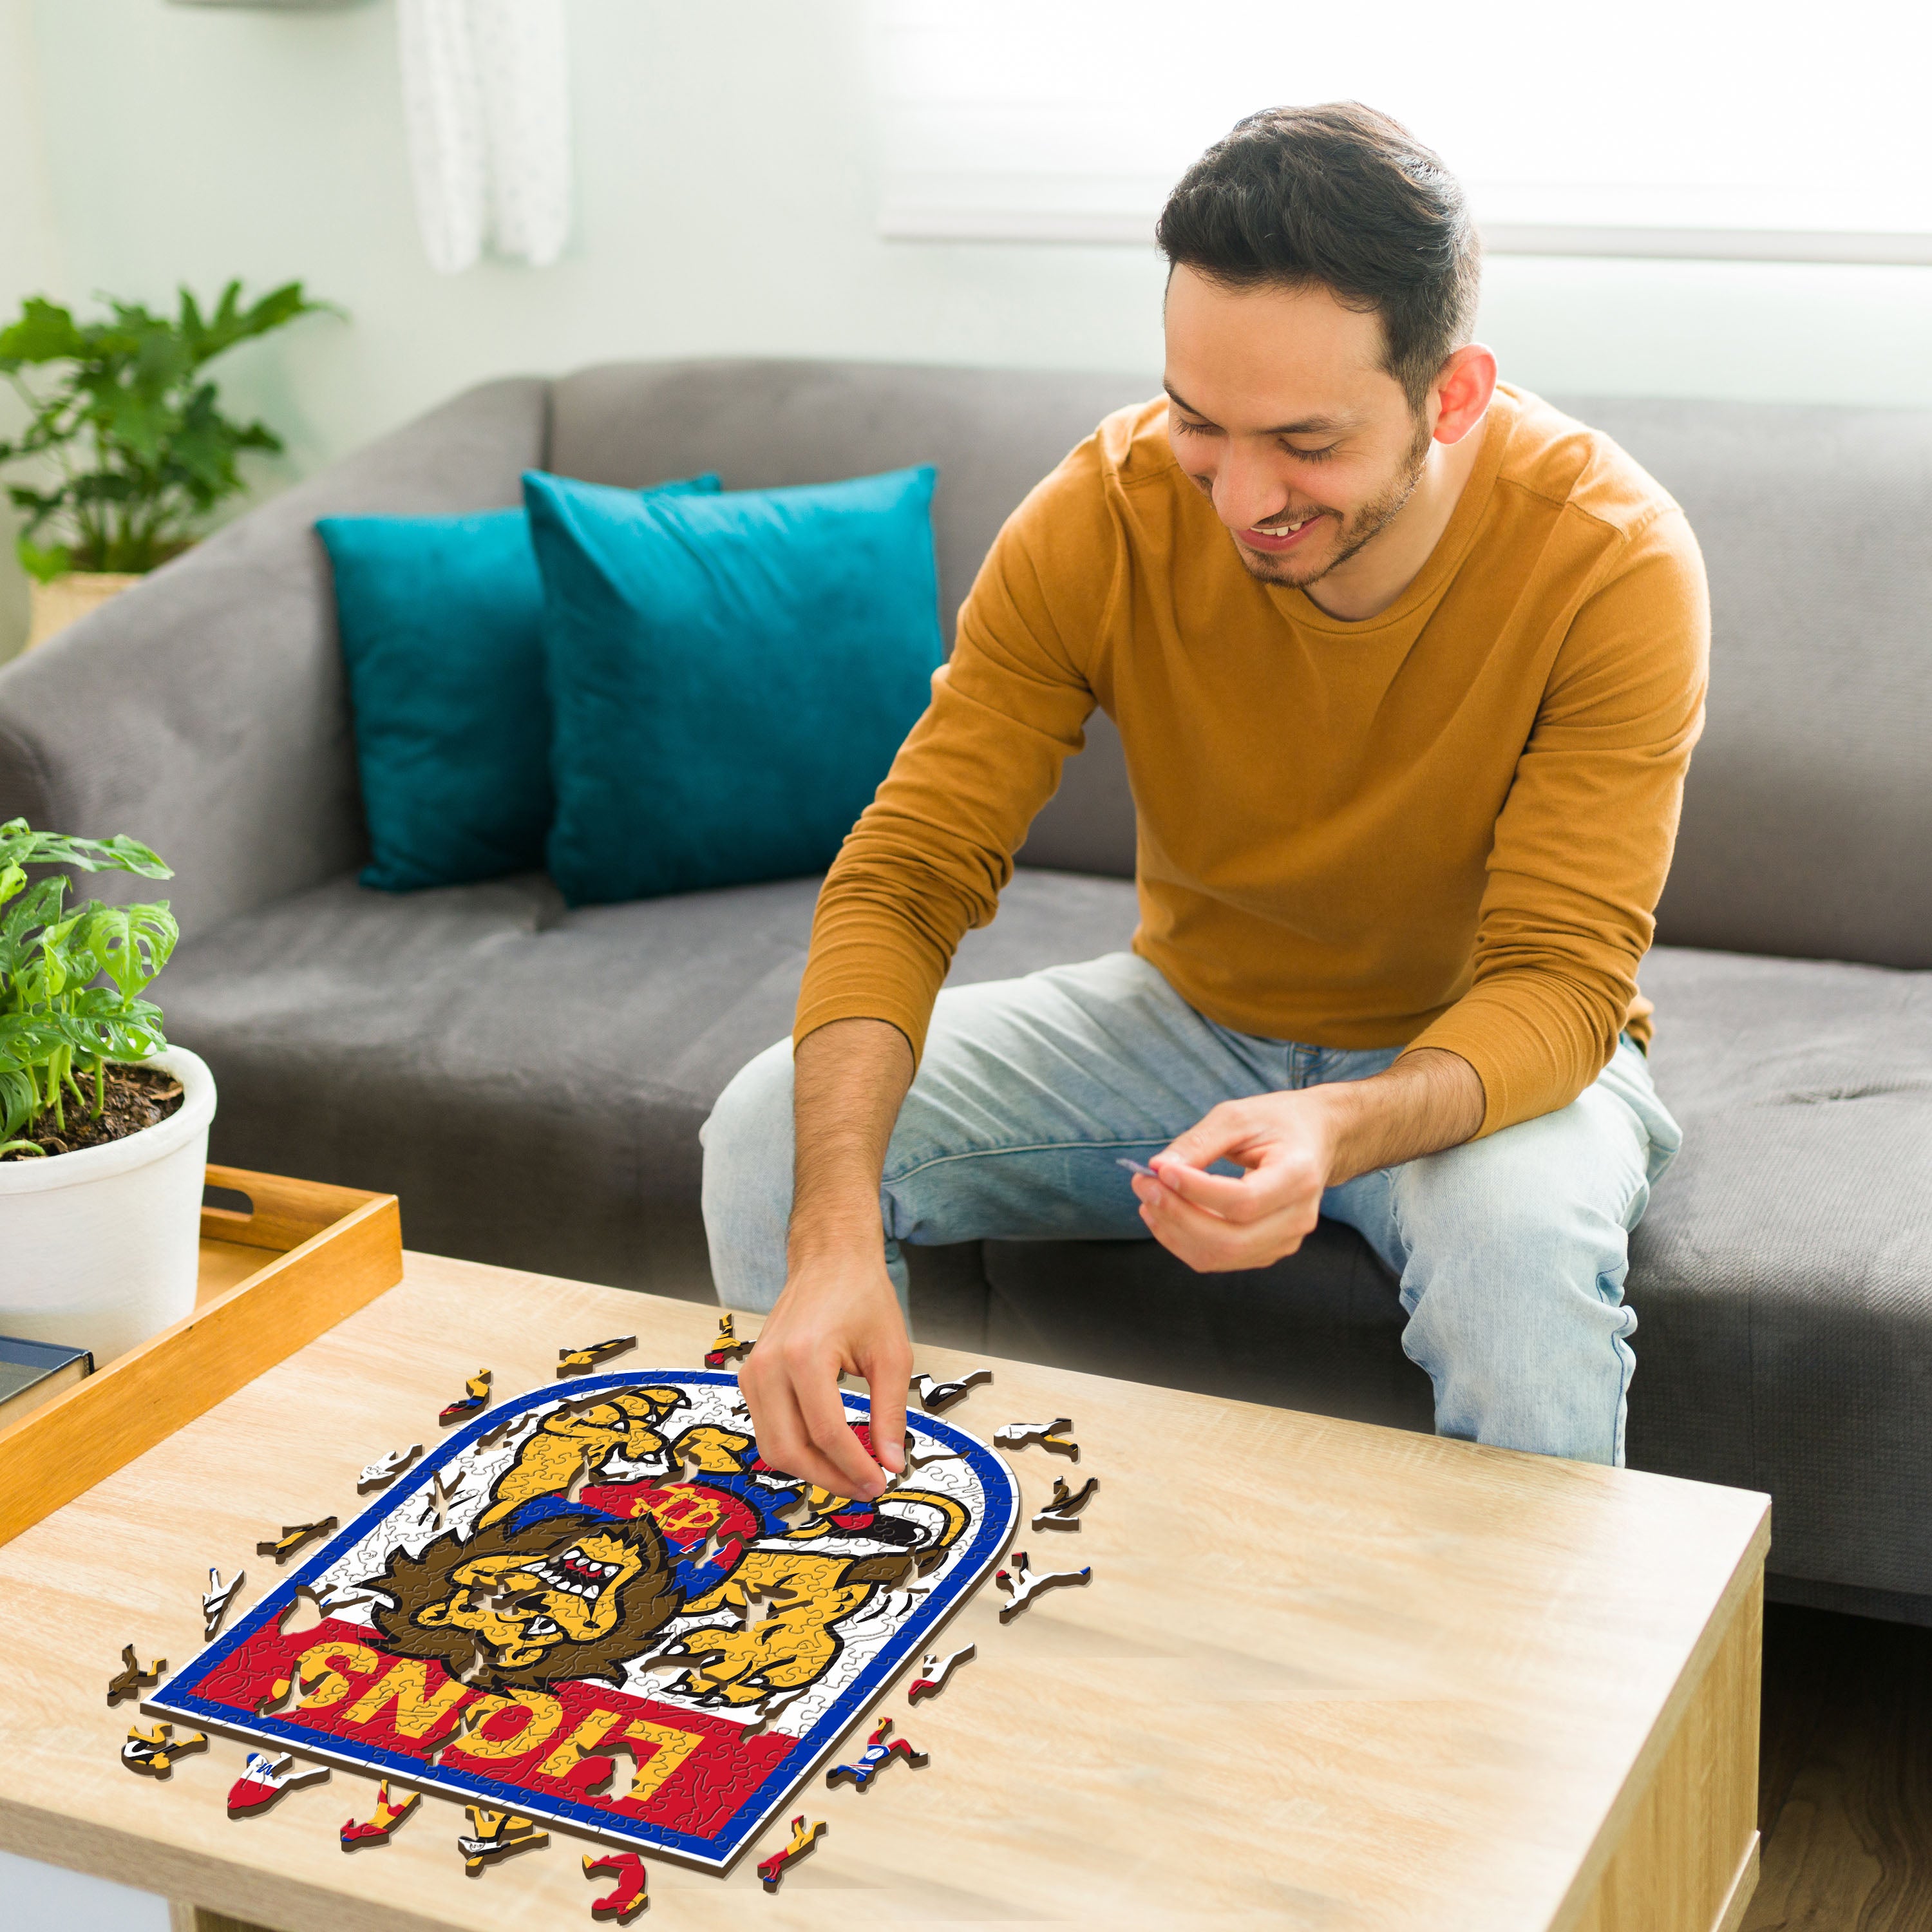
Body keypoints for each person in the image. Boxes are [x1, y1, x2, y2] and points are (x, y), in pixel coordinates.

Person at [700, 102, 1709, 1502]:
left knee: (1516, 1254)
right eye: (1198, 422)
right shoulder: (1102, 513)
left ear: (1452, 396)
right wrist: (828, 1242)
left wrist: (1336, 1125)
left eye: (1303, 440)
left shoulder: (1611, 559)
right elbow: (910, 869)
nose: (1239, 497)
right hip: (1189, 1020)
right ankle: (834, 1571)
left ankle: (1542, 1651)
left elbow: (1559, 982)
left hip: (1481, 1055)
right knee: (772, 1131)